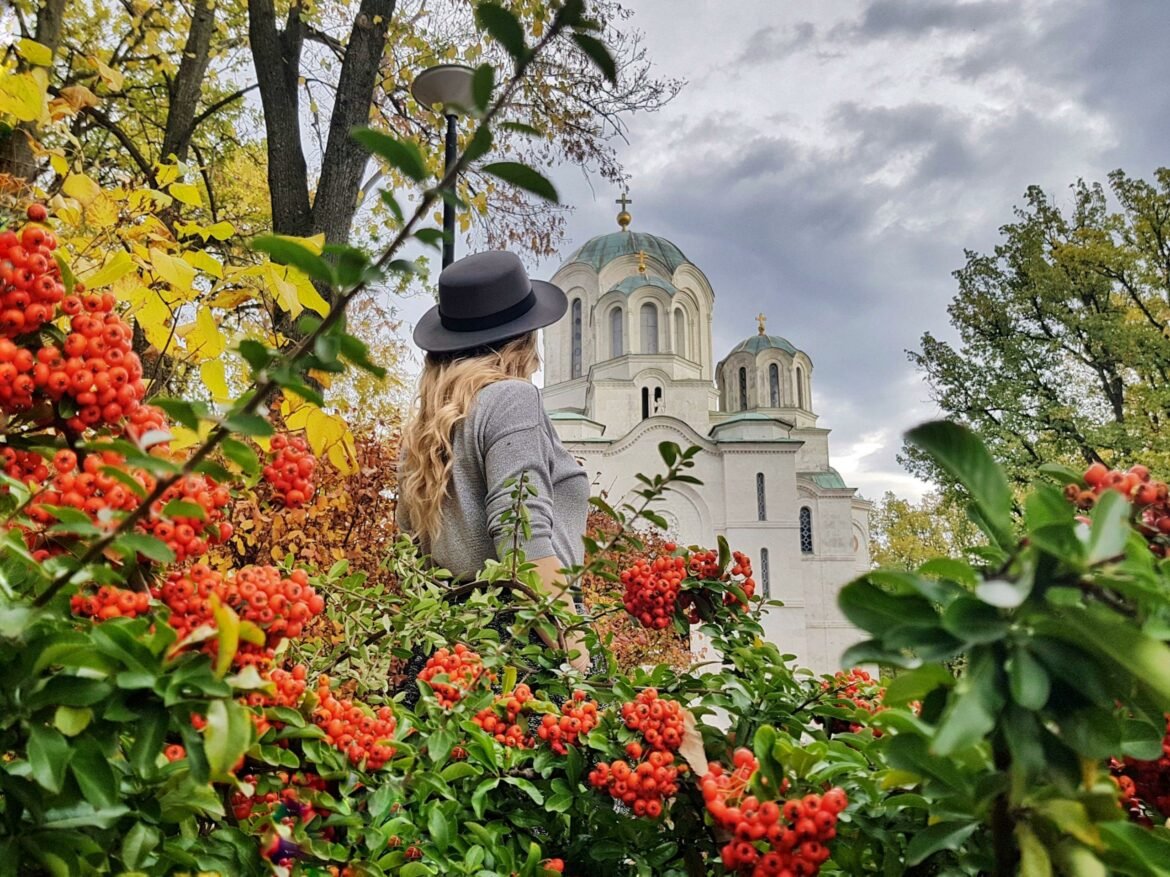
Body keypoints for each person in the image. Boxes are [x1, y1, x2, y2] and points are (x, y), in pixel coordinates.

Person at [397, 250, 591, 672]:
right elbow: (524, 542)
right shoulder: (511, 398)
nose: (538, 358)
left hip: (445, 649)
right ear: (521, 339)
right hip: (523, 646)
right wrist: (579, 666)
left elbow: (409, 559)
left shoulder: (424, 432)